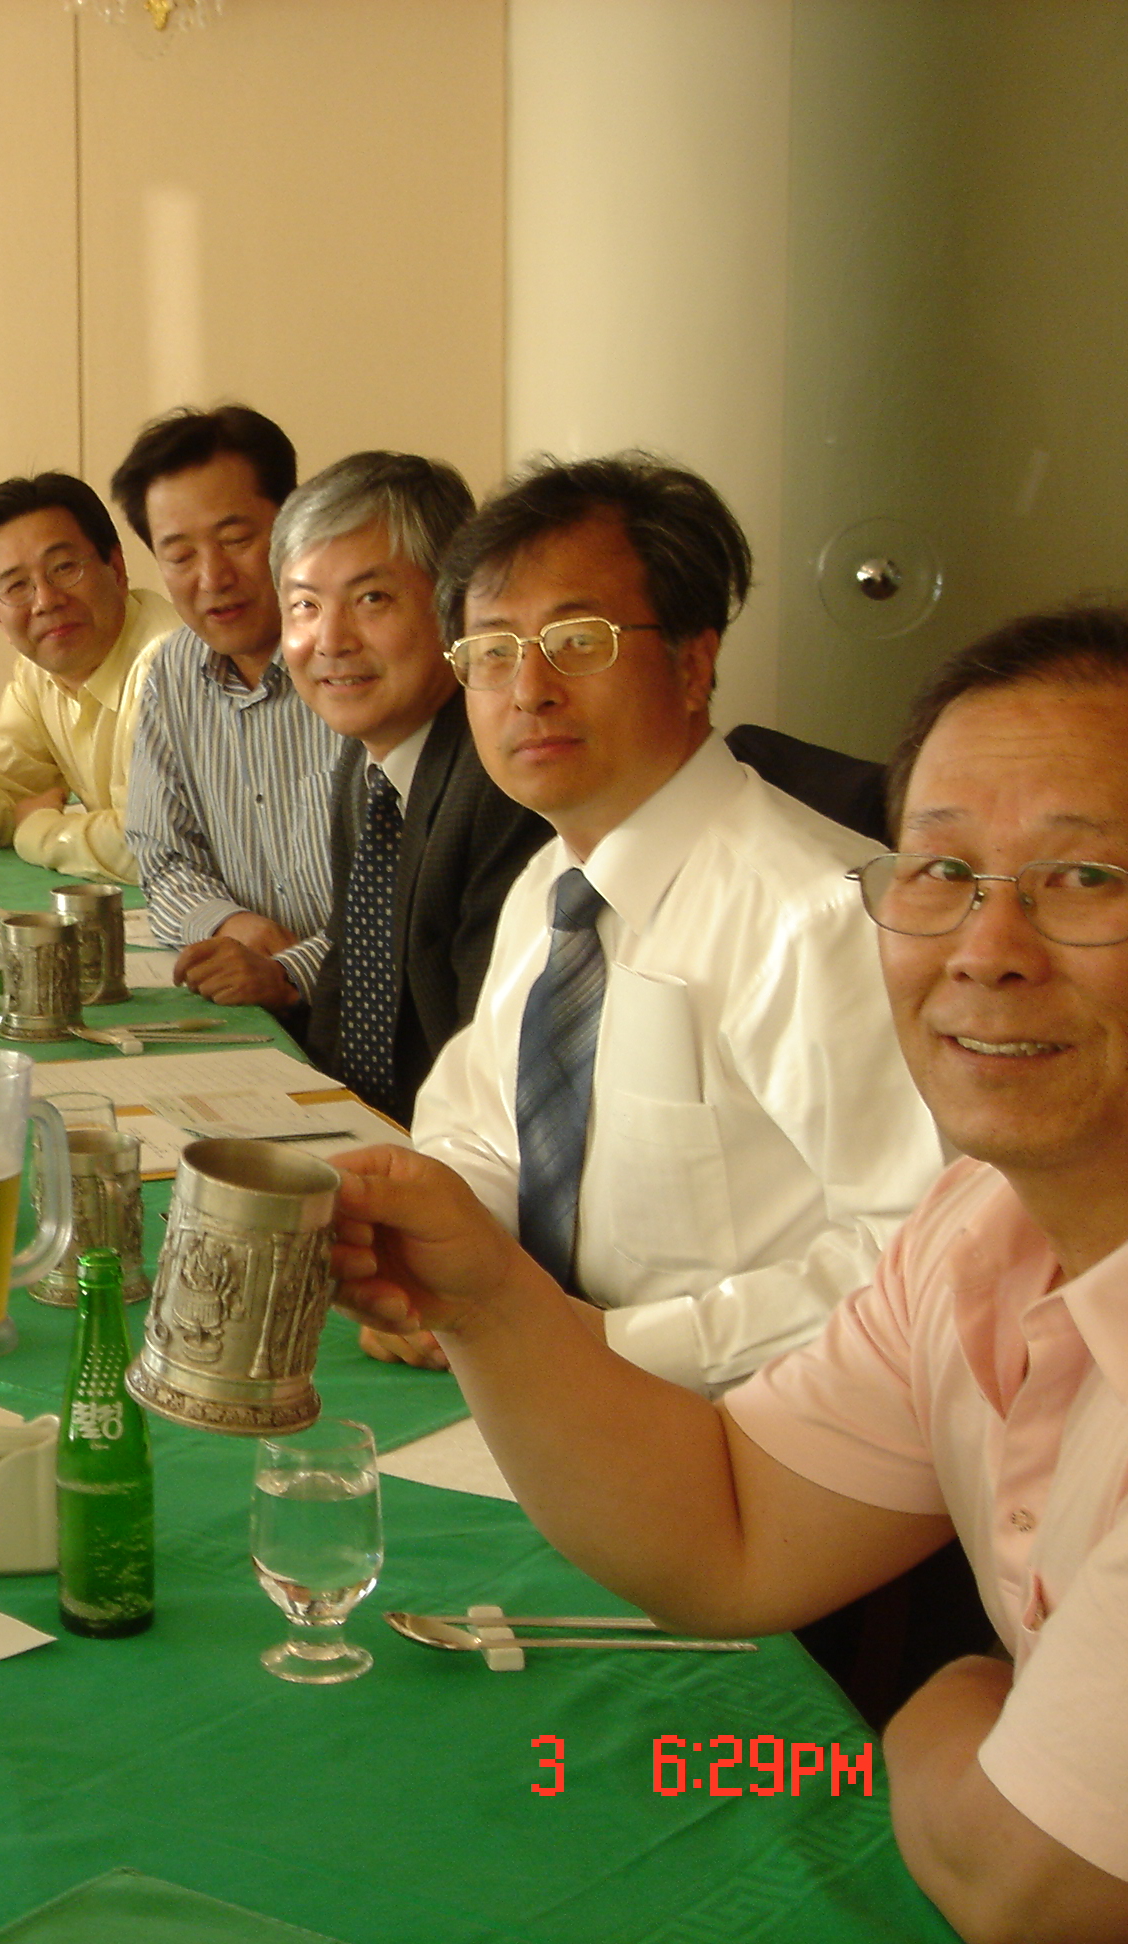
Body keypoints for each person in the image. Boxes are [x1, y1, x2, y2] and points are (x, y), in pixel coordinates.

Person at [329, 604, 1128, 1942]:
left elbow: (1039, 1886)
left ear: (695, 659)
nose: (985, 948)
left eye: (1084, 879)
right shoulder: (983, 1223)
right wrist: (487, 1298)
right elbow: (729, 1526)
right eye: (940, 871)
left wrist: (946, 1704)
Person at [391, 453, 945, 1388]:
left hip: (752, 1425)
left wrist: (606, 1347)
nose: (528, 689)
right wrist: (445, 1269)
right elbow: (480, 1133)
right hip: (550, 1390)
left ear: (693, 664)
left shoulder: (821, 916)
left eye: (578, 640)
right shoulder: (550, 885)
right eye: (492, 651)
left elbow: (918, 1254)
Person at [273, 451, 549, 1124]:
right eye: (305, 605)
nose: (330, 640)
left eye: (372, 599)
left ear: (456, 608)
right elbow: (345, 978)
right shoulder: (366, 762)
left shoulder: (500, 780)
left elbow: (488, 1056)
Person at [115, 405, 344, 1014]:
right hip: (248, 1002)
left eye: (237, 540)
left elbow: (415, 903)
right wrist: (228, 923)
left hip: (373, 1018)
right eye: (179, 556)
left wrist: (290, 969)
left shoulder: (352, 664)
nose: (213, 577)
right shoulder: (174, 672)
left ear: (293, 525)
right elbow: (162, 856)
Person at [0, 473, 177, 883]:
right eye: (17, 586)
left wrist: (38, 831)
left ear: (116, 567)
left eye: (64, 568)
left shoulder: (168, 668)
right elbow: (3, 787)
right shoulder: (42, 673)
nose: (46, 601)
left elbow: (156, 845)